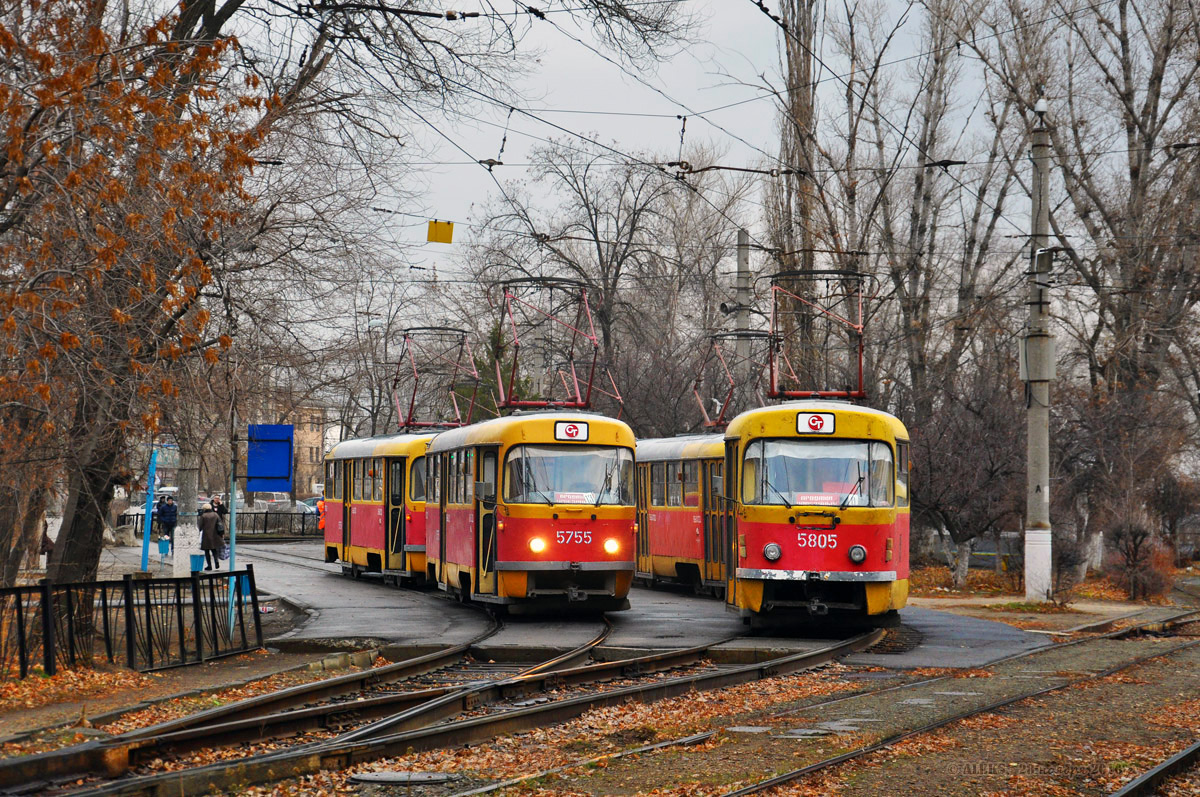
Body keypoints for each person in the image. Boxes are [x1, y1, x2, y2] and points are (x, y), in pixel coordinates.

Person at [199, 503, 224, 570]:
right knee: (214, 550)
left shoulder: (203, 516)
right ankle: (216, 562)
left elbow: (200, 526)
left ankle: (209, 565)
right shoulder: (215, 514)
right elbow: (220, 524)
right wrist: (221, 533)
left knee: (207, 551)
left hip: (206, 536)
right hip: (215, 535)